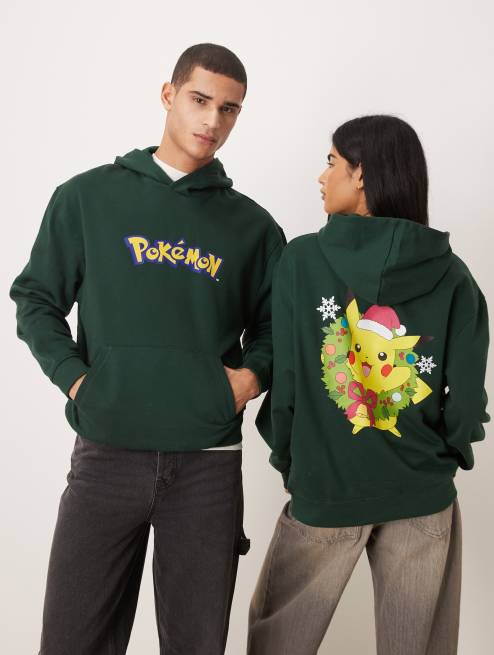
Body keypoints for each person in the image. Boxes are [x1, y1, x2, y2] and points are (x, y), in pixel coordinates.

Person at [9, 43, 285, 655]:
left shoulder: (253, 227)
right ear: (168, 94)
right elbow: (36, 299)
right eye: (200, 100)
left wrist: (245, 381)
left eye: (229, 109)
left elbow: (276, 330)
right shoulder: (87, 198)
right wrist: (79, 381)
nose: (212, 120)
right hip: (107, 453)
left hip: (207, 465)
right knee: (71, 640)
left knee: (195, 644)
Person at [247, 115, 490, 655]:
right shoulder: (452, 274)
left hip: (325, 484)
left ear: (361, 174)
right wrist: (446, 455)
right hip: (421, 490)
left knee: (278, 642)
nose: (321, 176)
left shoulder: (301, 261)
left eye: (331, 162)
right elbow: (467, 398)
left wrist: (291, 459)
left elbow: (288, 384)